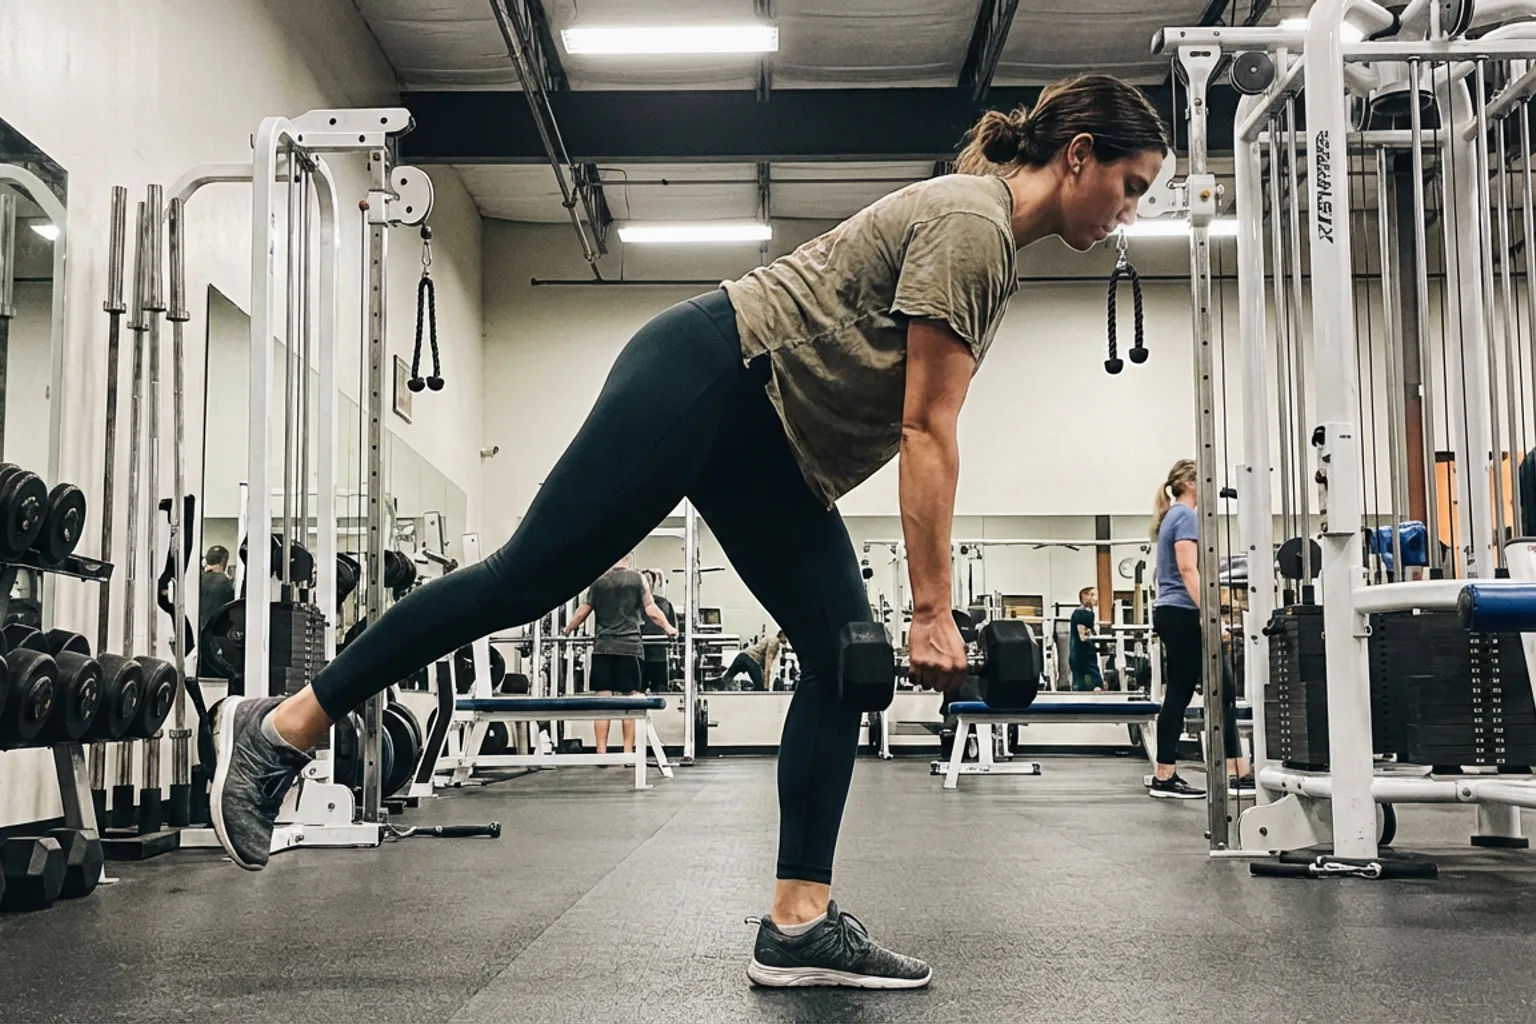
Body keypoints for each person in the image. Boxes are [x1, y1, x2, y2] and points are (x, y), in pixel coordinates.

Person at [206, 73, 1168, 989]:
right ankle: (283, 728)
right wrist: (931, 610)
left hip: (772, 441)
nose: (1129, 212)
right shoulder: (975, 224)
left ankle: (799, 922)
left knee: (844, 657)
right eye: (1131, 186)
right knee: (522, 580)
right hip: (712, 379)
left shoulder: (986, 235)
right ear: (1079, 154)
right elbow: (927, 429)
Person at [1148, 459, 1252, 800]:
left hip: (1173, 612)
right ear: (1191, 483)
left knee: (1181, 692)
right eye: (1206, 480)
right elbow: (1187, 569)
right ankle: (1236, 770)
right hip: (1182, 613)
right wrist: (1212, 616)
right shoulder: (1185, 516)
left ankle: (1166, 774)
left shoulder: (1173, 516)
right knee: (1222, 688)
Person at [561, 555, 677, 755]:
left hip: (603, 648)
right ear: (628, 558)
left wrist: (566, 630)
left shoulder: (598, 582)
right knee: (630, 701)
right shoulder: (637, 578)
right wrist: (669, 628)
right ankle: (627, 753)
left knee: (602, 700)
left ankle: (601, 753)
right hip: (629, 648)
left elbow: (583, 610)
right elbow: (651, 609)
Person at [638, 569, 678, 693]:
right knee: (637, 692)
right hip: (639, 657)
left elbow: (672, 628)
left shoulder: (664, 604)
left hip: (659, 657)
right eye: (644, 580)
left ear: (653, 584)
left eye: (649, 581)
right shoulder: (633, 603)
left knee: (661, 691)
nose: (647, 584)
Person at [720, 629, 784, 691]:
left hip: (741, 657)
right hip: (751, 660)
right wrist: (766, 687)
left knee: (726, 680)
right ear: (783, 635)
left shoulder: (770, 637)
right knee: (761, 689)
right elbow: (767, 666)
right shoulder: (775, 641)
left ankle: (716, 688)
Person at [1068, 586, 1102, 692]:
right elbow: (1082, 636)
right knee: (1094, 684)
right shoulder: (1081, 613)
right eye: (1095, 595)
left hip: (1082, 655)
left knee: (1082, 685)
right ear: (1087, 597)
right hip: (1083, 656)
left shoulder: (1088, 613)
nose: (1097, 598)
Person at [199, 546, 235, 633]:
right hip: (218, 632)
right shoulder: (227, 583)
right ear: (223, 561)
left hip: (199, 631)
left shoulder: (197, 580)